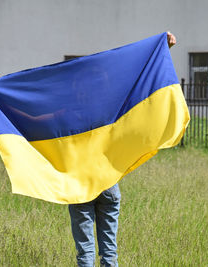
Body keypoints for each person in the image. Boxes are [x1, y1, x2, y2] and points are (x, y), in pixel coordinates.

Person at [68, 32, 177, 267]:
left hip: (81, 187)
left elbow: (40, 118)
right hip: (109, 185)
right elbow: (139, 81)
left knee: (85, 253)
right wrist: (164, 49)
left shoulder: (71, 114)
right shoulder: (111, 109)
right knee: (110, 253)